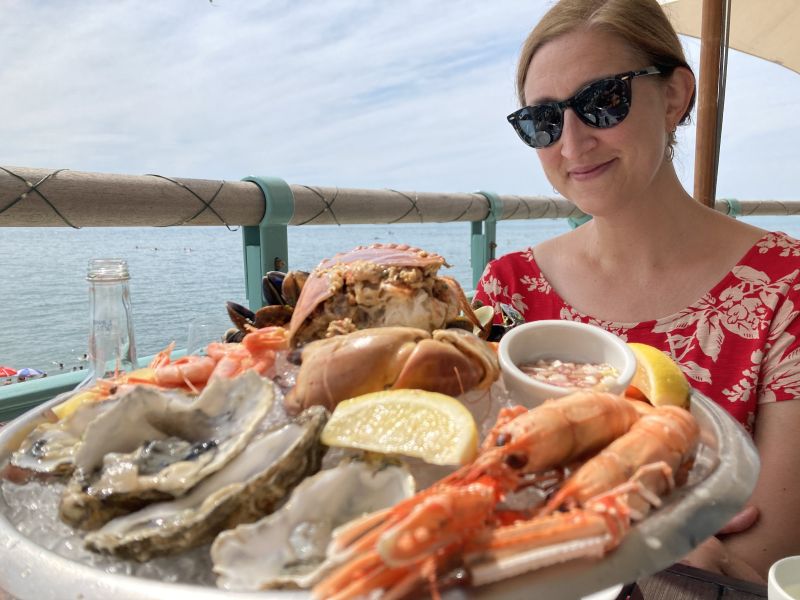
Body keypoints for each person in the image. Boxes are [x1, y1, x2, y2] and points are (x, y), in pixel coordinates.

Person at [473, 0, 800, 584]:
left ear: (674, 96)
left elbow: (766, 560)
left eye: (602, 101)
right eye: (542, 120)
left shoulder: (783, 285)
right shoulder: (510, 288)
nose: (572, 143)